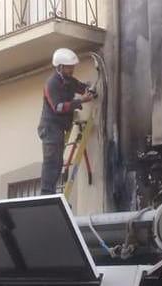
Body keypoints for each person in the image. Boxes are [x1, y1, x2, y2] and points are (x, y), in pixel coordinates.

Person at [38, 48, 95, 195]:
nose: (72, 70)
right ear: (60, 67)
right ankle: (46, 195)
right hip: (50, 128)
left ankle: (49, 194)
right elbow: (58, 107)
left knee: (57, 163)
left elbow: (81, 87)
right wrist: (80, 101)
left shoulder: (69, 81)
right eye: (69, 67)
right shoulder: (52, 84)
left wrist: (91, 90)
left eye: (72, 67)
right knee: (52, 163)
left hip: (59, 127)